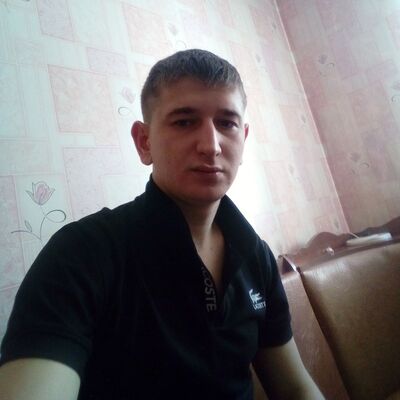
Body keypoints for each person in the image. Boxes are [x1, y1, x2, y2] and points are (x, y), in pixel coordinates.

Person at [0, 49, 324, 400]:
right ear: (144, 142)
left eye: (227, 123)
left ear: (243, 139)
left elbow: (294, 387)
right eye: (184, 122)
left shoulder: (256, 256)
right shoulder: (82, 255)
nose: (211, 146)